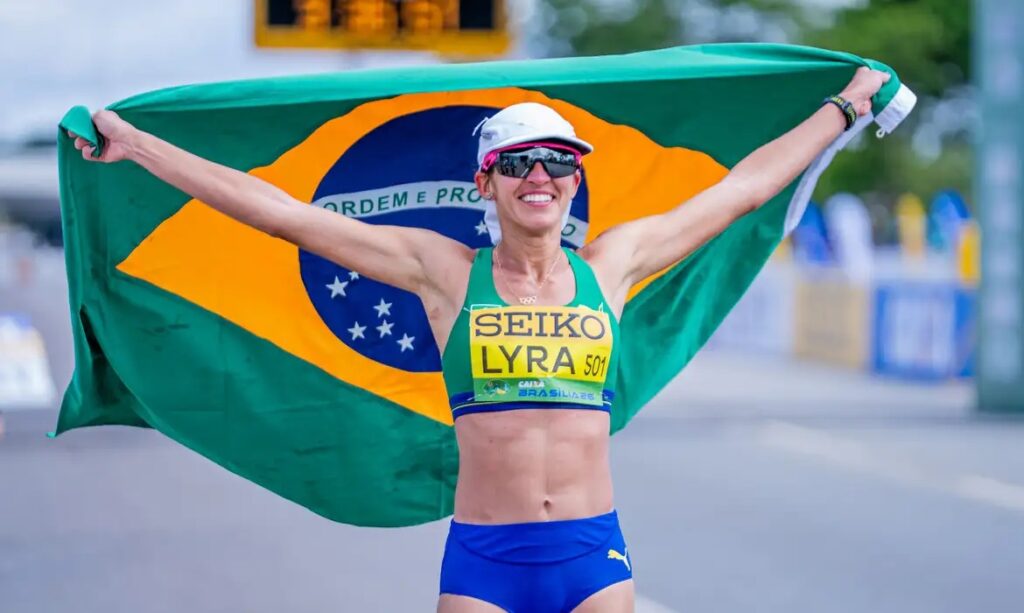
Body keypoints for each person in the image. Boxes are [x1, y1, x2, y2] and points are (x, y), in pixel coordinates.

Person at [69, 66, 890, 612]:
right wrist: (137, 146)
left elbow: (743, 188)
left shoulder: (616, 263)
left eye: (559, 162)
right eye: (521, 162)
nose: (542, 176)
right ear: (487, 183)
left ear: (576, 180)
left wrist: (847, 105)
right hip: (485, 560)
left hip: (592, 550)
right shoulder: (443, 273)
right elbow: (281, 213)